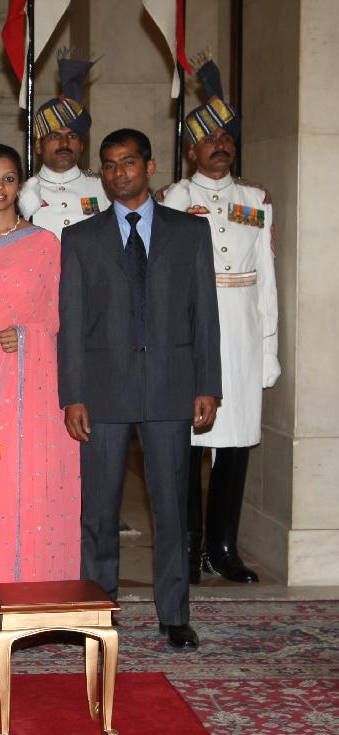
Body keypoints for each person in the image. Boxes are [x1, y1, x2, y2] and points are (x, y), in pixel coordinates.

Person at [58, 128, 221, 652]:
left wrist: (207, 384)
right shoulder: (80, 238)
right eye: (108, 165)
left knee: (172, 506)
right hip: (102, 392)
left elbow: (205, 315)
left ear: (149, 167)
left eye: (128, 162)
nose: (118, 173)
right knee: (99, 512)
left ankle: (174, 615)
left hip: (172, 388)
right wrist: (72, 395)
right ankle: (99, 610)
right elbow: (71, 324)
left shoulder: (190, 232)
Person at [158, 54, 279, 584]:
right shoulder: (172, 200)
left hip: (243, 335)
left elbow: (267, 281)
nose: (219, 144)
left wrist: (269, 349)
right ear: (191, 150)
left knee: (236, 444)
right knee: (185, 445)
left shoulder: (255, 201)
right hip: (189, 334)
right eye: (208, 138)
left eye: (225, 136)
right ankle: (187, 548)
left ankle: (222, 547)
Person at [0, 144, 80, 582]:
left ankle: (27, 581)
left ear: (20, 186)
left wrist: (28, 335)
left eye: (8, 179)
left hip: (29, 381)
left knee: (23, 476)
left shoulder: (44, 244)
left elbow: (60, 316)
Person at [18, 50, 109, 237]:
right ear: (38, 146)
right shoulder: (20, 193)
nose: (64, 142)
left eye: (72, 136)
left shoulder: (104, 188)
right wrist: (20, 213)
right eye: (54, 136)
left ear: (81, 146)